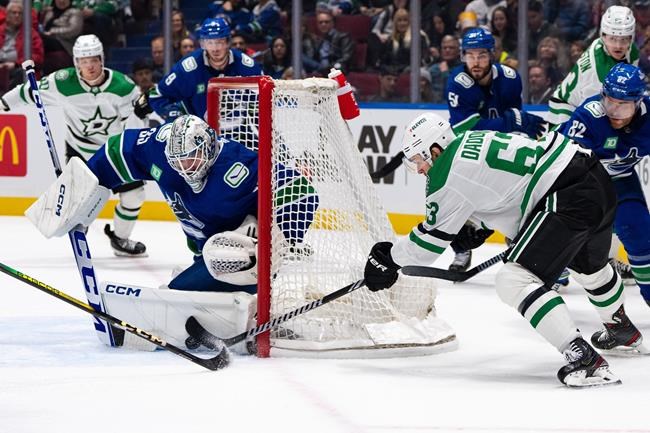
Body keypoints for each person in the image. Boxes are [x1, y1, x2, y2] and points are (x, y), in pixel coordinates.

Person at [364, 112, 645, 387]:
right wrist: (479, 226)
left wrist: (388, 259)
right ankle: (621, 328)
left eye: (418, 160)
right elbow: (501, 185)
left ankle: (583, 358)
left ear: (434, 150)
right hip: (592, 176)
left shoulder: (445, 172)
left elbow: (426, 245)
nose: (419, 169)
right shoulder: (468, 139)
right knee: (590, 268)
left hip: (565, 193)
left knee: (514, 280)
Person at [30, 115, 319, 293]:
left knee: (179, 293)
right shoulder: (159, 147)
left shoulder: (238, 165)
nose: (184, 168)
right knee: (184, 289)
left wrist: (277, 240)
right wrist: (80, 189)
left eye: (191, 159)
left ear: (208, 148)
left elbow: (302, 191)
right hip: (203, 250)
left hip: (239, 257)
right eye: (177, 161)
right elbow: (118, 149)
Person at [1, 34, 146, 257]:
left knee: (134, 195)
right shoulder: (61, 82)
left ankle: (120, 239)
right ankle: (79, 228)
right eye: (84, 61)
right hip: (81, 150)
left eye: (94, 60)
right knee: (78, 204)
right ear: (76, 63)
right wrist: (3, 105)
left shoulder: (124, 87)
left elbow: (136, 124)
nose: (90, 66)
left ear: (102, 59)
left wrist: (132, 149)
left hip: (114, 152)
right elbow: (28, 92)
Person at [444, 27, 545, 272]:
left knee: (521, 188)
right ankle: (462, 248)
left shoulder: (510, 79)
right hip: (468, 148)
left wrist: (514, 125)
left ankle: (517, 236)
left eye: (481, 55)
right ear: (463, 56)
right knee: (457, 196)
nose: (475, 62)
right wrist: (509, 122)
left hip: (501, 146)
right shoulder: (457, 83)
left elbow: (515, 120)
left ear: (492, 55)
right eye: (470, 55)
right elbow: (468, 129)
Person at [559, 63, 650, 310]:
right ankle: (553, 265)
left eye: (623, 105)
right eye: (610, 102)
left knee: (640, 232)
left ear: (638, 103)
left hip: (620, 179)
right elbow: (563, 165)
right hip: (576, 183)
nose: (614, 111)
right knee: (565, 236)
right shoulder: (588, 117)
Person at [138, 17, 263, 121]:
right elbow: (157, 95)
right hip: (198, 135)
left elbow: (266, 99)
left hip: (240, 133)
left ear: (228, 42)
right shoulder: (187, 69)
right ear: (203, 44)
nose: (215, 49)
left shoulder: (247, 67)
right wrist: (177, 117)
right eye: (210, 43)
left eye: (220, 42)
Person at [548, 5, 639, 126]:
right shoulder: (596, 69)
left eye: (623, 39)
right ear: (603, 36)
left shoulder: (632, 50)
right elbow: (593, 111)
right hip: (566, 108)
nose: (618, 46)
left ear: (631, 38)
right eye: (612, 39)